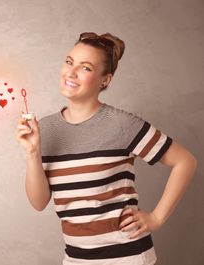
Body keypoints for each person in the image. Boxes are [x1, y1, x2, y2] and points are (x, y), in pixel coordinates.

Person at [15, 32, 197, 264]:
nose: (70, 73)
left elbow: (185, 161)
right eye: (69, 62)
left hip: (128, 257)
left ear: (105, 80)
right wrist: (32, 153)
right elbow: (39, 203)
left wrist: (157, 218)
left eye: (86, 68)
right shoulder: (46, 128)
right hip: (76, 258)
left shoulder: (121, 124)